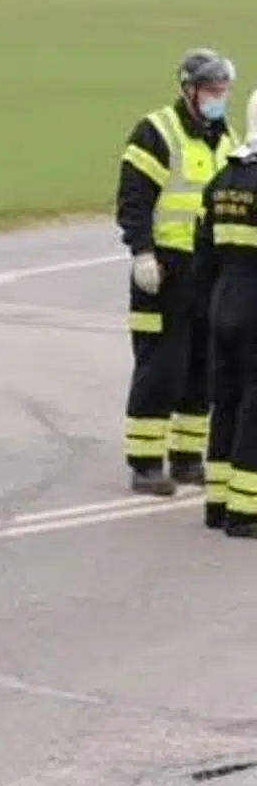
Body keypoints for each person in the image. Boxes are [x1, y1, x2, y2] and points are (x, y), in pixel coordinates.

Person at [117, 48, 238, 496]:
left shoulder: (225, 138)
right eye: (211, 91)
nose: (218, 98)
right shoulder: (156, 132)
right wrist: (141, 253)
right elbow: (134, 199)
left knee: (201, 368)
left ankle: (187, 457)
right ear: (189, 90)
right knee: (160, 366)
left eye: (223, 91)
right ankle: (145, 463)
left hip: (206, 271)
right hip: (164, 269)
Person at [193, 90, 257, 537]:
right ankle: (246, 511)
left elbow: (203, 252)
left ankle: (217, 503)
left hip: (223, 299)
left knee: (226, 400)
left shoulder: (222, 179)